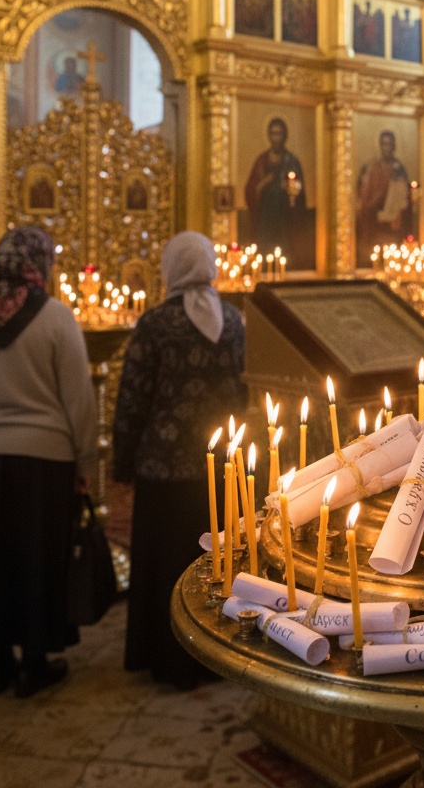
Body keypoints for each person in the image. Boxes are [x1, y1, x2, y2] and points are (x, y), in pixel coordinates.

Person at [0, 226, 97, 698]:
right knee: (35, 559)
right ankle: (34, 661)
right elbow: (80, 401)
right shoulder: (55, 318)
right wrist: (85, 462)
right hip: (43, 461)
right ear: (40, 264)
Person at [112, 231, 247, 690]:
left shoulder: (156, 324)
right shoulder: (232, 320)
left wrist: (122, 462)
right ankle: (217, 654)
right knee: (213, 562)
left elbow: (133, 397)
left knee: (166, 565)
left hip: (164, 467)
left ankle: (167, 659)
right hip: (220, 467)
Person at [243, 117, 306, 254]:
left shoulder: (291, 161)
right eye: (273, 133)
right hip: (265, 219)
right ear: (269, 136)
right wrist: (263, 183)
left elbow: (299, 195)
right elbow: (250, 190)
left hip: (284, 219)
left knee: (284, 250)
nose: (276, 138)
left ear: (285, 136)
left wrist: (290, 189)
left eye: (279, 134)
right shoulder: (262, 160)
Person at [356, 130, 413, 262]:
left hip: (394, 222)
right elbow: (364, 198)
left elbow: (405, 199)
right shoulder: (371, 168)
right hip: (374, 219)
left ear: (394, 146)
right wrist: (374, 200)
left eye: (389, 144)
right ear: (380, 146)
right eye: (384, 144)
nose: (386, 147)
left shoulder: (399, 169)